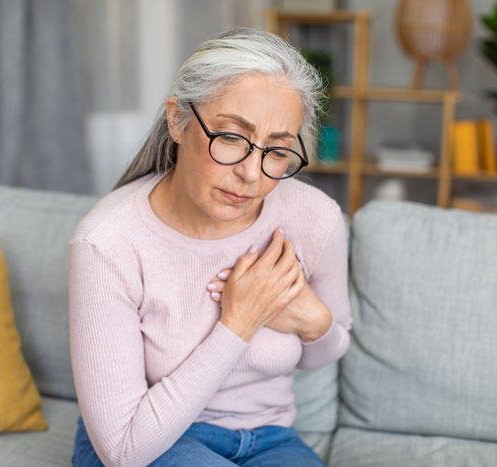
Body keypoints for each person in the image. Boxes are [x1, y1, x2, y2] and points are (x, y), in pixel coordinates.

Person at [69, 27, 352, 467]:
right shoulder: (107, 242)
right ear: (177, 119)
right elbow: (124, 449)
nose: (252, 175)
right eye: (232, 138)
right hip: (148, 441)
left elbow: (322, 355)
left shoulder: (314, 218)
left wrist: (315, 320)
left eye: (277, 150)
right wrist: (239, 323)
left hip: (271, 439)